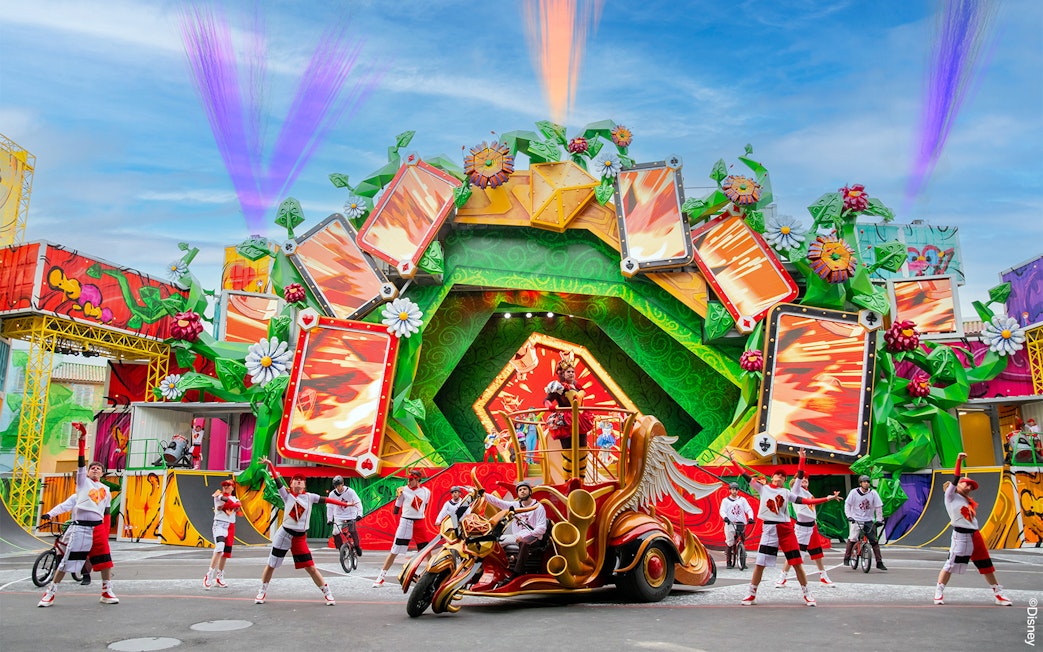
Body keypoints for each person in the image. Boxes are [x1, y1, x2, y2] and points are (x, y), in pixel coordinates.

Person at [726, 452, 840, 607]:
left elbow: (806, 500)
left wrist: (827, 498)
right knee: (760, 563)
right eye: (777, 474)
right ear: (772, 477)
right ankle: (751, 593)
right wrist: (734, 460)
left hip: (786, 529)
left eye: (783, 476)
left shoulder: (787, 493)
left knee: (797, 562)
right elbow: (745, 475)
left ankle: (807, 594)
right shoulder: (763, 488)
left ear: (785, 481)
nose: (780, 477)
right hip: (769, 529)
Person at [38, 422, 118, 607]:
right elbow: (80, 464)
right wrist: (82, 441)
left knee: (105, 561)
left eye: (98, 468)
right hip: (80, 527)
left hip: (98, 528)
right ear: (87, 472)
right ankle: (50, 592)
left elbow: (106, 513)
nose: (95, 469)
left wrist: (105, 533)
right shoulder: (82, 483)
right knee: (67, 562)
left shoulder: (106, 490)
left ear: (103, 473)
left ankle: (106, 591)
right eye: (92, 468)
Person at [255, 456, 347, 605]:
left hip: (299, 538)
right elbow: (277, 480)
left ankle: (327, 593)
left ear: (304, 484)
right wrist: (270, 464)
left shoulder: (310, 497)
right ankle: (262, 591)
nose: (298, 481)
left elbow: (327, 500)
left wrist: (345, 504)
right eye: (295, 479)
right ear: (291, 483)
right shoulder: (287, 496)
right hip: (284, 534)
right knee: (271, 564)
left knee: (311, 567)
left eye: (301, 480)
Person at [933, 452, 1012, 606]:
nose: (969, 487)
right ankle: (939, 592)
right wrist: (958, 460)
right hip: (960, 535)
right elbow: (956, 477)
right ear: (958, 485)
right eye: (966, 484)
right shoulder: (950, 496)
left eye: (971, 486)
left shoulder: (967, 501)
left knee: (986, 565)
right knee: (950, 564)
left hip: (975, 535)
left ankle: (998, 594)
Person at [775, 449, 835, 587]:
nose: (804, 481)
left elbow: (812, 507)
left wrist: (828, 498)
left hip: (812, 526)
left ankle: (823, 576)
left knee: (817, 552)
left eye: (807, 480)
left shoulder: (809, 493)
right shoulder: (796, 491)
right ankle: (782, 577)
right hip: (802, 527)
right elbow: (800, 474)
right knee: (795, 553)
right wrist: (802, 459)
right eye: (802, 480)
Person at [373, 469, 432, 587]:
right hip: (406, 522)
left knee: (426, 550)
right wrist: (398, 497)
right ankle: (381, 577)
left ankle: (431, 576)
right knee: (395, 550)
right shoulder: (403, 490)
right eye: (408, 479)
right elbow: (396, 508)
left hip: (420, 522)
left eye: (411, 479)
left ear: (418, 480)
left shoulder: (426, 492)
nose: (409, 481)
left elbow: (424, 507)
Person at [483, 481, 548, 587]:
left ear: (530, 492)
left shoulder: (538, 507)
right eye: (520, 490)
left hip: (534, 537)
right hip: (517, 536)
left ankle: (516, 573)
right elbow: (498, 502)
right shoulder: (515, 505)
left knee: (524, 542)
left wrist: (524, 536)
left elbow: (541, 528)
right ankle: (498, 569)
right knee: (494, 541)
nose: (522, 491)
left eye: (525, 489)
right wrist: (483, 495)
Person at [544, 357, 594, 478]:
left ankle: (581, 479)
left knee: (582, 450)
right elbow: (546, 400)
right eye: (568, 372)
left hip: (580, 420)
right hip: (566, 422)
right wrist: (550, 406)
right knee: (568, 452)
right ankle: (568, 480)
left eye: (573, 371)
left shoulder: (578, 387)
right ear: (563, 374)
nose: (571, 374)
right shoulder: (558, 387)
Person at [41, 493, 94, 585]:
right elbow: (63, 506)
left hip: (86, 528)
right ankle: (52, 573)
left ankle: (86, 575)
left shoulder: (93, 497)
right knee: (60, 548)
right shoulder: (75, 497)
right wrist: (50, 514)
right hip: (74, 526)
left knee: (79, 550)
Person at [844, 474, 887, 570]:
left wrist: (879, 519)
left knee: (874, 541)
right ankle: (847, 558)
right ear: (860, 483)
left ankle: (879, 562)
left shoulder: (873, 493)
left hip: (868, 520)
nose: (866, 483)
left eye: (868, 482)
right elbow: (847, 505)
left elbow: (878, 507)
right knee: (853, 538)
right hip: (856, 519)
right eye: (864, 482)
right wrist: (849, 516)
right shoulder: (853, 492)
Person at [204, 479, 240, 589]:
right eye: (224, 485)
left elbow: (238, 506)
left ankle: (219, 576)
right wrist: (232, 505)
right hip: (220, 524)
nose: (226, 487)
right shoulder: (218, 494)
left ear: (233, 487)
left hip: (230, 526)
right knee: (219, 548)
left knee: (226, 553)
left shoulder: (235, 498)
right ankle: (209, 574)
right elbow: (228, 501)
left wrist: (225, 507)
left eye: (228, 485)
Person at [719, 482, 754, 569]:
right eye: (733, 489)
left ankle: (742, 560)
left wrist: (750, 517)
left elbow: (748, 509)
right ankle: (728, 562)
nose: (734, 491)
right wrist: (725, 517)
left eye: (736, 490)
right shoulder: (725, 501)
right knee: (730, 542)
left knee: (742, 539)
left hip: (740, 523)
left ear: (738, 491)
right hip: (730, 523)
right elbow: (722, 510)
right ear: (730, 490)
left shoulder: (742, 500)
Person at [327, 475, 363, 557]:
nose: (338, 487)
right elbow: (329, 506)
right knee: (335, 532)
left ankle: (357, 546)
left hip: (350, 515)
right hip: (338, 516)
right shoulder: (332, 494)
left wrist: (359, 514)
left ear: (342, 484)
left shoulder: (350, 492)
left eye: (339, 485)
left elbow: (358, 502)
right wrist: (329, 519)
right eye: (336, 486)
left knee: (352, 530)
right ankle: (341, 549)